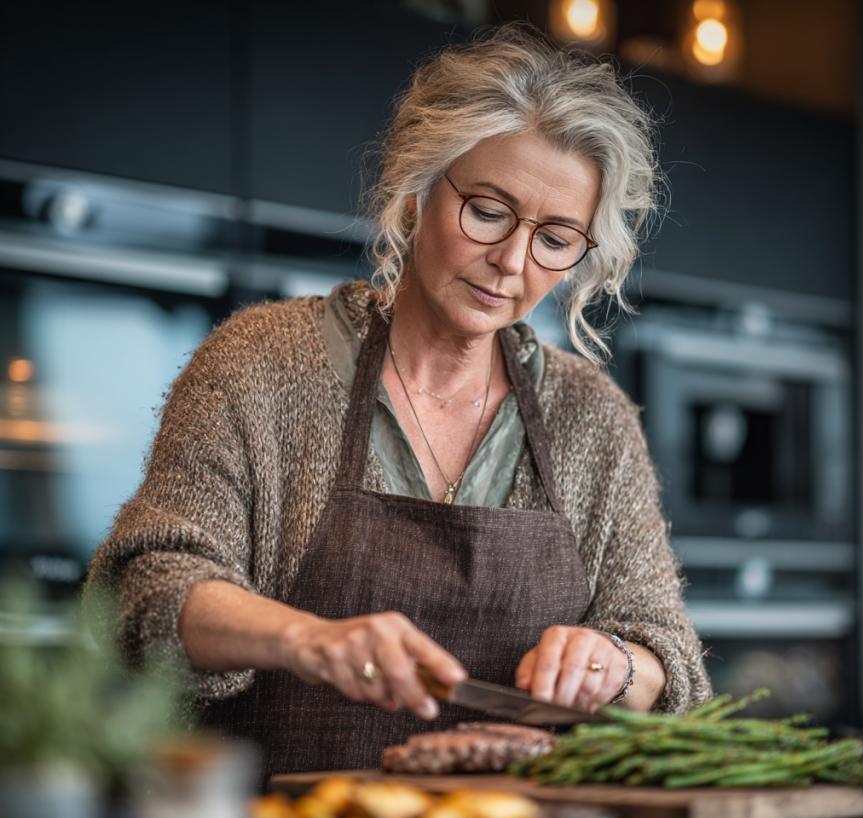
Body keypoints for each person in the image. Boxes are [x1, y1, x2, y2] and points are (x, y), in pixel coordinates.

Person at [87, 24, 711, 779]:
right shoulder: (258, 366)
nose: (512, 262)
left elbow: (666, 658)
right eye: (486, 209)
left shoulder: (592, 417)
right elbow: (145, 591)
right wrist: (305, 639)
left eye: (555, 238)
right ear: (417, 192)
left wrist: (613, 662)